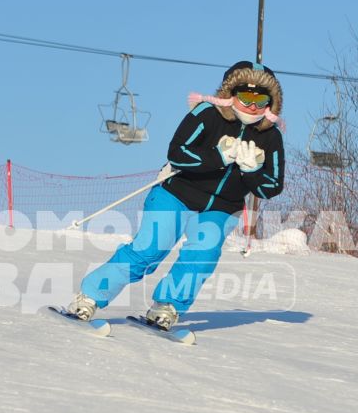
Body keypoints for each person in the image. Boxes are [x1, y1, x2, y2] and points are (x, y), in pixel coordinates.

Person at [69, 60, 286, 329]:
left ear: (271, 103)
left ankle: (167, 305)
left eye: (260, 99)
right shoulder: (208, 113)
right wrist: (217, 156)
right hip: (177, 192)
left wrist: (251, 170)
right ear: (231, 94)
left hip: (222, 205)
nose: (252, 106)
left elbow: (271, 186)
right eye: (245, 96)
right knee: (149, 249)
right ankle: (90, 297)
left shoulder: (271, 136)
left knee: (202, 255)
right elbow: (177, 153)